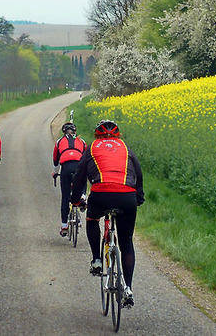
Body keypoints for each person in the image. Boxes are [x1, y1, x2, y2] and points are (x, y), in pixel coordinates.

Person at [71, 120, 145, 307]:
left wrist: (75, 199)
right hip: (127, 196)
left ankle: (97, 259)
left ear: (97, 135)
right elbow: (138, 170)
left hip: (101, 194)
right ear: (117, 135)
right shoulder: (125, 147)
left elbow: (80, 173)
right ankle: (128, 288)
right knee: (126, 242)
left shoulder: (92, 147)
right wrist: (139, 195)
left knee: (92, 219)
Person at [52, 122, 87, 237]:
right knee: (83, 176)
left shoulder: (59, 142)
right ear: (75, 132)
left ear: (64, 132)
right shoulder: (81, 141)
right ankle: (83, 196)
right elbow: (87, 158)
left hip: (66, 168)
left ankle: (64, 226)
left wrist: (55, 173)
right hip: (78, 165)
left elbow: (55, 160)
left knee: (65, 197)